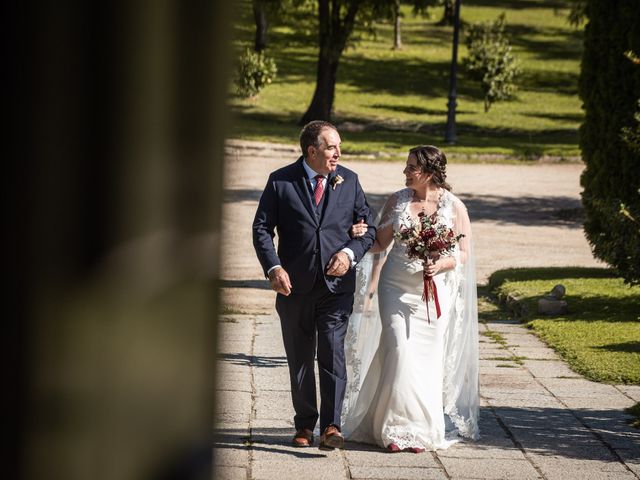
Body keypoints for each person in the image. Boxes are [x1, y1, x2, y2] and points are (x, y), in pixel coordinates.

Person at [342, 145, 479, 452]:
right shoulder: (398, 200)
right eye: (406, 167)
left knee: (425, 360)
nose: (404, 172)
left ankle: (419, 429)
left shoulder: (454, 207)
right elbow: (379, 244)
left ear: (429, 173)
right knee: (399, 349)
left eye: (411, 168)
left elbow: (464, 253)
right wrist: (359, 234)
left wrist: (439, 263)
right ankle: (394, 428)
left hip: (433, 292)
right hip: (396, 286)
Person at [252, 120, 376, 449]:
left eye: (338, 147)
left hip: (336, 288)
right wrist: (273, 268)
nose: (339, 153)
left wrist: (350, 254)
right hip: (293, 286)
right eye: (332, 147)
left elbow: (369, 228)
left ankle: (332, 426)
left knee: (333, 354)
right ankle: (305, 424)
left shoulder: (349, 180)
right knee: (300, 358)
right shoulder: (280, 181)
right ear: (312, 151)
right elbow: (262, 229)